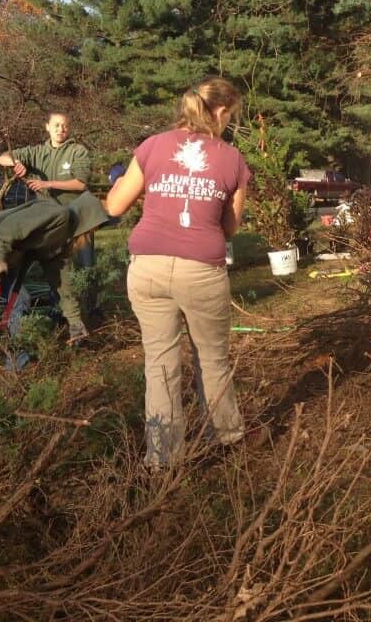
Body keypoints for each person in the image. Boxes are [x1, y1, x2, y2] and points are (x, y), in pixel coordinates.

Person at [106, 77, 249, 468]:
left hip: (147, 268)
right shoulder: (232, 158)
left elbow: (115, 206)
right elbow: (230, 227)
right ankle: (227, 439)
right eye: (230, 116)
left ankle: (164, 459)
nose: (229, 124)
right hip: (201, 271)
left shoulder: (152, 146)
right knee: (212, 358)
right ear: (220, 111)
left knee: (160, 362)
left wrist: (121, 180)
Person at [0, 192, 110, 379]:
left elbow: (61, 282)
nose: (91, 234)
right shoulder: (57, 214)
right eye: (94, 227)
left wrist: (74, 321)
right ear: (87, 219)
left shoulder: (61, 242)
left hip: (7, 255)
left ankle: (15, 365)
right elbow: (8, 229)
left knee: (21, 300)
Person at [0, 110, 94, 342]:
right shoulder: (36, 152)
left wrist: (47, 183)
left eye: (65, 125)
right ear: (47, 127)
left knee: (84, 268)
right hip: (49, 223)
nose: (61, 129)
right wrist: (17, 163)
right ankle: (61, 314)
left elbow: (81, 183)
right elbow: (1, 158)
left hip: (77, 219)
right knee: (57, 269)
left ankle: (90, 313)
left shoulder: (78, 151)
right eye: (57, 125)